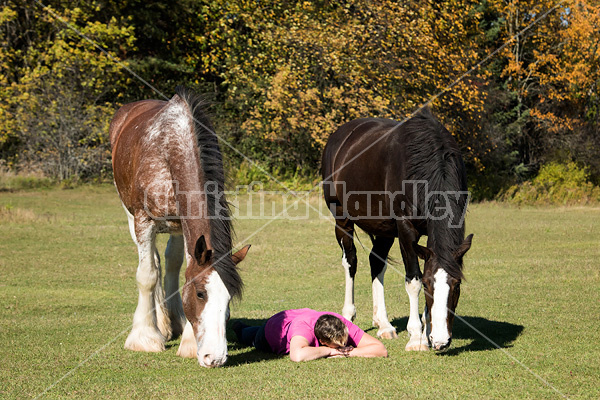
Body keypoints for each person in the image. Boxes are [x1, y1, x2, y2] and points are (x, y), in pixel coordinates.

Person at [231, 308, 387, 362]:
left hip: (296, 319)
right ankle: (237, 327)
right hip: (270, 331)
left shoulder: (341, 324)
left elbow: (380, 349)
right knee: (247, 336)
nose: (345, 346)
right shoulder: (303, 331)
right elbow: (297, 355)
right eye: (339, 345)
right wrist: (332, 352)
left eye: (345, 342)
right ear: (321, 341)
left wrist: (347, 352)